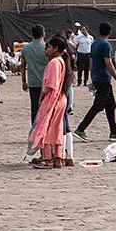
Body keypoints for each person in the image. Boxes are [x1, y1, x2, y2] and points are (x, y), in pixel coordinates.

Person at [71, 21, 116, 141]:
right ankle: (81, 129)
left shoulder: (94, 43)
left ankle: (114, 132)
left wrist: (92, 77)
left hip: (98, 77)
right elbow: (108, 63)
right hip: (104, 79)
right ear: (110, 32)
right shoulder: (106, 45)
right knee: (98, 105)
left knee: (110, 105)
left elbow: (91, 62)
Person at [29, 37, 72, 168]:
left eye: (48, 48)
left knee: (46, 129)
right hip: (60, 98)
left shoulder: (54, 63)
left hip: (52, 99)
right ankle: (58, 158)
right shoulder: (61, 61)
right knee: (57, 129)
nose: (46, 50)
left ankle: (48, 159)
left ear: (56, 49)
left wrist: (42, 96)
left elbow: (51, 85)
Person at [19, 24, 48, 145]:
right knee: (46, 108)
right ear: (43, 33)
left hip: (32, 82)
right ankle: (44, 131)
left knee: (34, 108)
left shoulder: (26, 48)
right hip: (46, 83)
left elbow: (23, 65)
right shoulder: (47, 47)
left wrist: (23, 81)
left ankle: (34, 131)